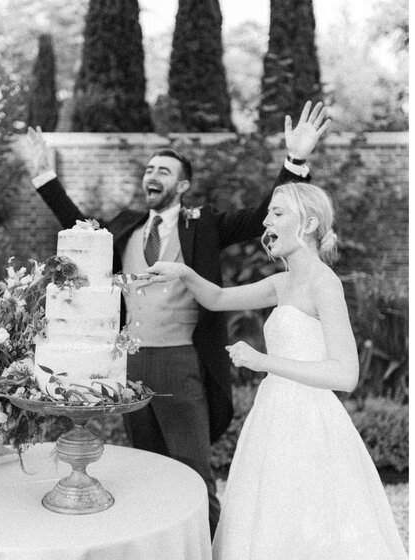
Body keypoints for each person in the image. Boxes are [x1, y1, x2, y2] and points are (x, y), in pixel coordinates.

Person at [25, 101, 330, 534]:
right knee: (146, 468)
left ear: (183, 185)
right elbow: (79, 230)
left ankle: (208, 546)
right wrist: (44, 176)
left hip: (181, 361)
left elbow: (263, 213)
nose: (152, 175)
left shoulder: (203, 225)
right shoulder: (126, 225)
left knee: (192, 472)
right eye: (149, 169)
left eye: (163, 171)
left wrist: (296, 158)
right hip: (128, 365)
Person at [146, 183, 407, 559]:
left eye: (278, 213)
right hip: (271, 416)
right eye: (268, 213)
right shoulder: (282, 283)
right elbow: (218, 298)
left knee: (307, 521)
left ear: (310, 222)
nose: (267, 222)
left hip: (309, 422)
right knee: (265, 517)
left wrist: (263, 362)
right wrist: (183, 272)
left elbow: (345, 374)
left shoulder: (324, 283)